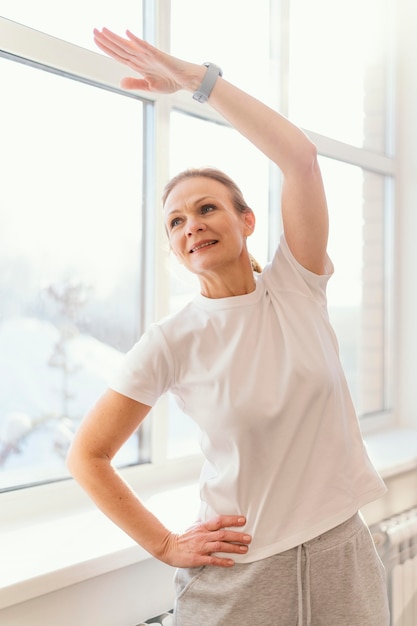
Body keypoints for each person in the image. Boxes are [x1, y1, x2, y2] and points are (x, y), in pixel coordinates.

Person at [67, 27, 390, 626]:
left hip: (343, 556)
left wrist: (198, 81)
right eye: (175, 221)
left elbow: (301, 160)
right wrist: (166, 544)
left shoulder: (298, 288)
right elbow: (88, 455)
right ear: (173, 247)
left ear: (246, 221)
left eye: (207, 207)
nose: (191, 224)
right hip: (240, 580)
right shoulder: (171, 340)